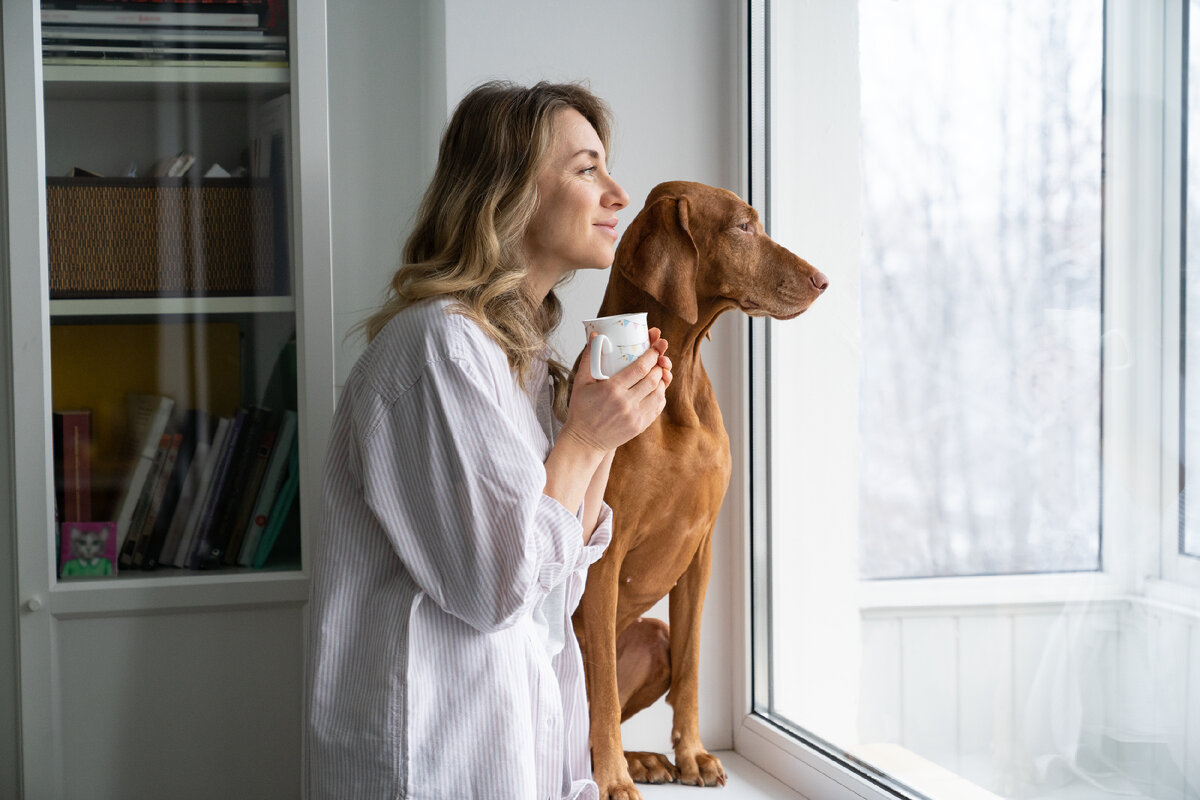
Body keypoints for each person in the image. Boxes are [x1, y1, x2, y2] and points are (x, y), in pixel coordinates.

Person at [305, 80, 673, 800]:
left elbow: (554, 586)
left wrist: (596, 436)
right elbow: (495, 586)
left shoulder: (523, 363)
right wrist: (583, 441)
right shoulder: (438, 348)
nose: (618, 194)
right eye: (586, 168)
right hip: (435, 759)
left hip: (504, 751)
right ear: (508, 193)